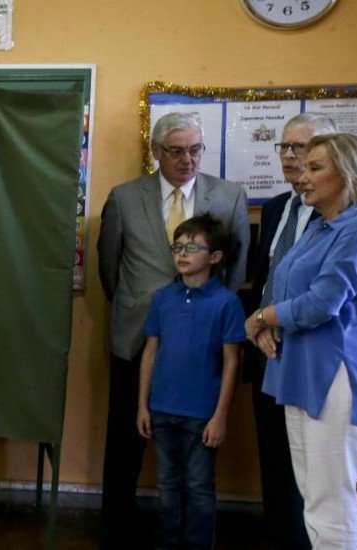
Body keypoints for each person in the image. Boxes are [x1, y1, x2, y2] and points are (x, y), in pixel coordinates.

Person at [96, 111, 250, 548]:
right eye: (177, 151)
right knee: (126, 441)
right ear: (156, 152)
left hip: (202, 343)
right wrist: (136, 310)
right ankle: (117, 530)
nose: (188, 160)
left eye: (196, 150)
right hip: (137, 339)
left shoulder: (229, 196)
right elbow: (110, 269)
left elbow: (235, 269)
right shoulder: (125, 198)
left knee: (197, 450)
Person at [248, 132, 357, 549]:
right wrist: (269, 321)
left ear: (349, 173)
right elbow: (285, 287)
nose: (302, 176)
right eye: (304, 168)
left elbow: (321, 303)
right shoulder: (319, 227)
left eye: (315, 167)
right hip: (298, 370)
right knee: (311, 498)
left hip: (334, 375)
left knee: (331, 503)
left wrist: (262, 317)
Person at [246, 112, 338, 549]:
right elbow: (266, 275)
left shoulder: (346, 216)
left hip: (311, 356)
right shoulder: (277, 207)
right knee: (276, 465)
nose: (287, 155)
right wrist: (260, 326)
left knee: (314, 475)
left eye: (298, 147)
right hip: (267, 353)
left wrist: (269, 319)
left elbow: (325, 297)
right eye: (282, 146)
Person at [137, 214, 246, 549]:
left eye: (192, 248)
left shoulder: (227, 303)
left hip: (202, 414)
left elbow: (232, 362)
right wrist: (143, 405)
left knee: (199, 487)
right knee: (167, 486)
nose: (182, 254)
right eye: (178, 246)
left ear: (214, 257)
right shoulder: (163, 298)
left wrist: (220, 416)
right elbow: (151, 352)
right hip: (162, 409)